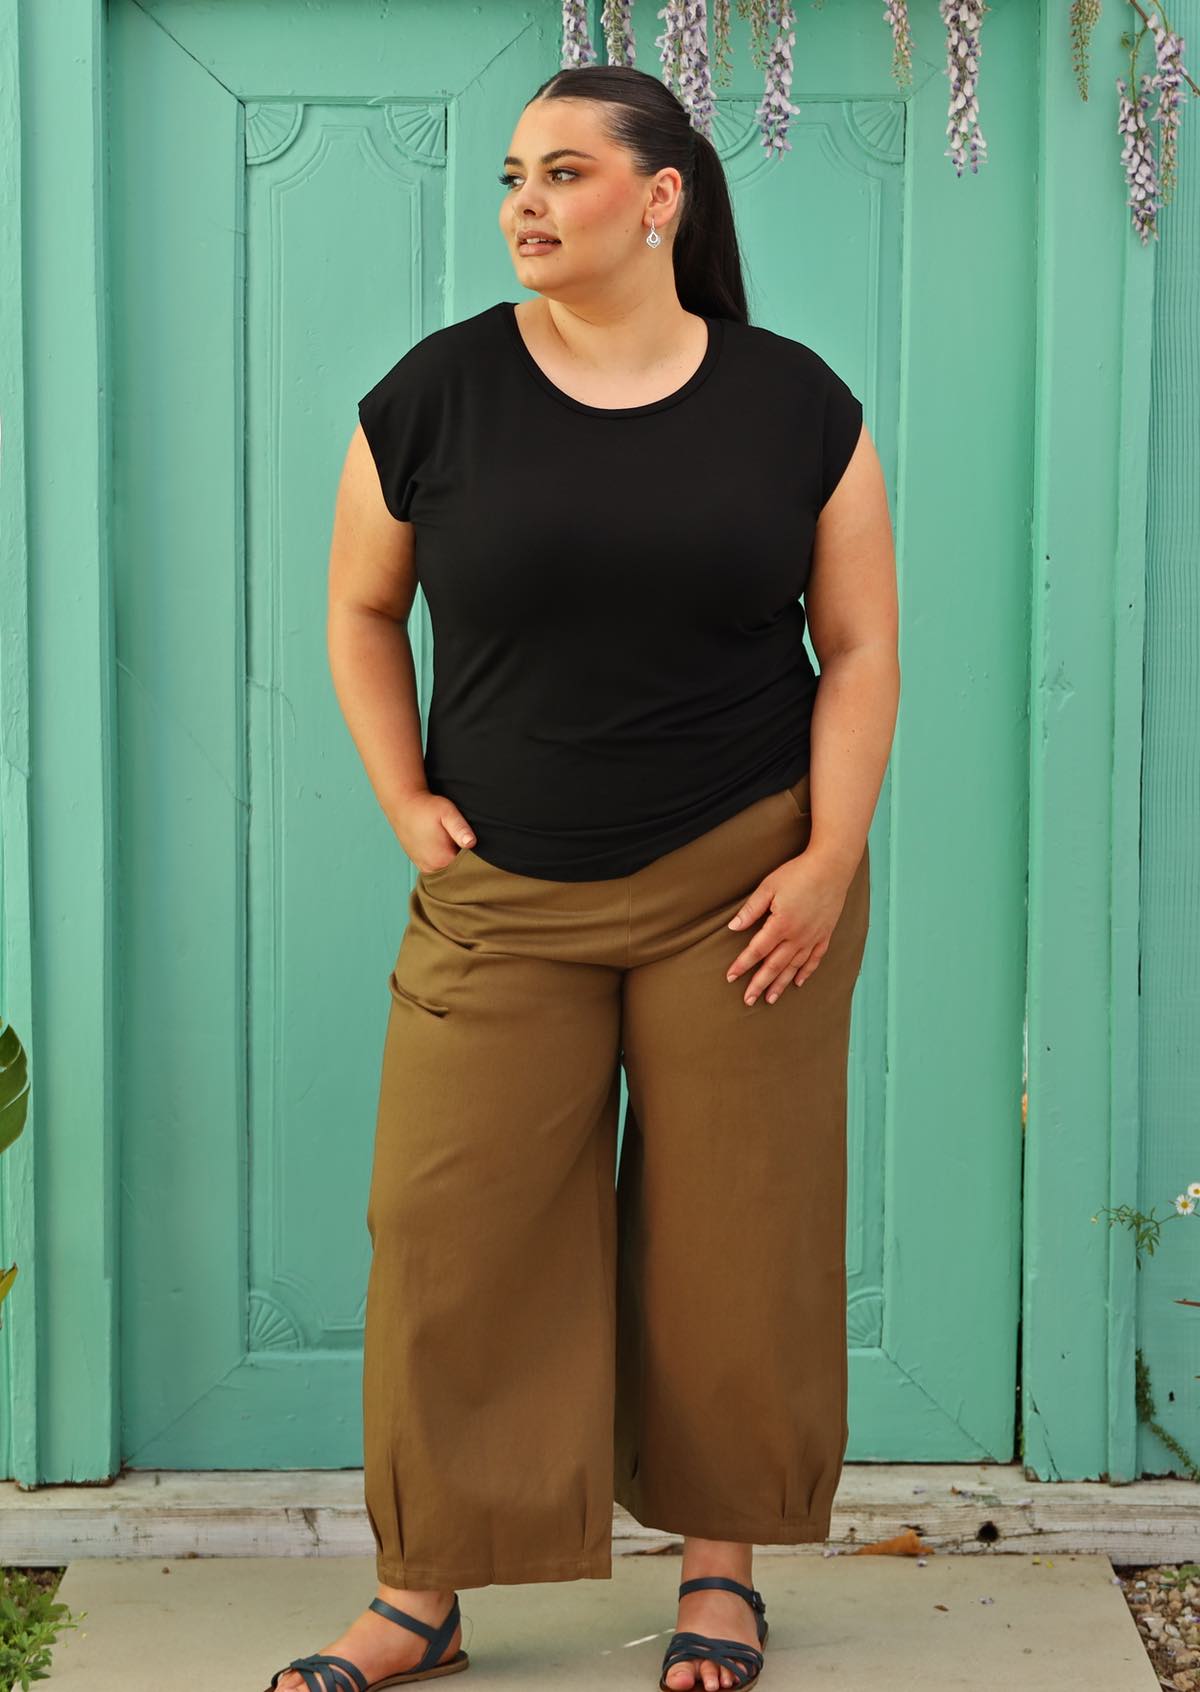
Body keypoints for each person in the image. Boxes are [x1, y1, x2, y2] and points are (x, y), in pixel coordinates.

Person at [265, 60, 898, 1692]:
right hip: (503, 894)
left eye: (561, 173)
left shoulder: (795, 403)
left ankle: (719, 1577)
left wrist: (830, 859)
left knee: (732, 1236)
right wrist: (404, 795)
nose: (524, 205)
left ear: (660, 197)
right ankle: (427, 1592)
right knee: (446, 1226)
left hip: (744, 881)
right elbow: (356, 608)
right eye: (509, 176)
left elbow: (863, 645)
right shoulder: (434, 395)